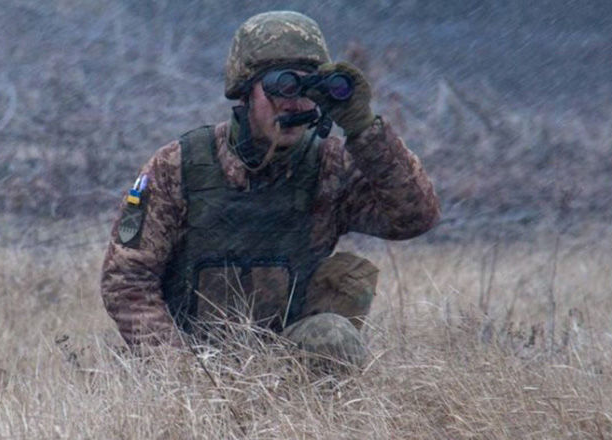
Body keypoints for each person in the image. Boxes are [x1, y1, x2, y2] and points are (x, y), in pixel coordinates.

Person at [100, 11, 440, 367]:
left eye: (309, 89)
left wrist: (363, 129)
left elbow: (414, 217)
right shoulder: (178, 165)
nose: (295, 103)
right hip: (191, 357)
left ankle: (316, 423)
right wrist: (182, 373)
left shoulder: (330, 166)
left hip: (288, 360)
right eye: (281, 86)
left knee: (333, 338)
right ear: (246, 91)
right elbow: (127, 281)